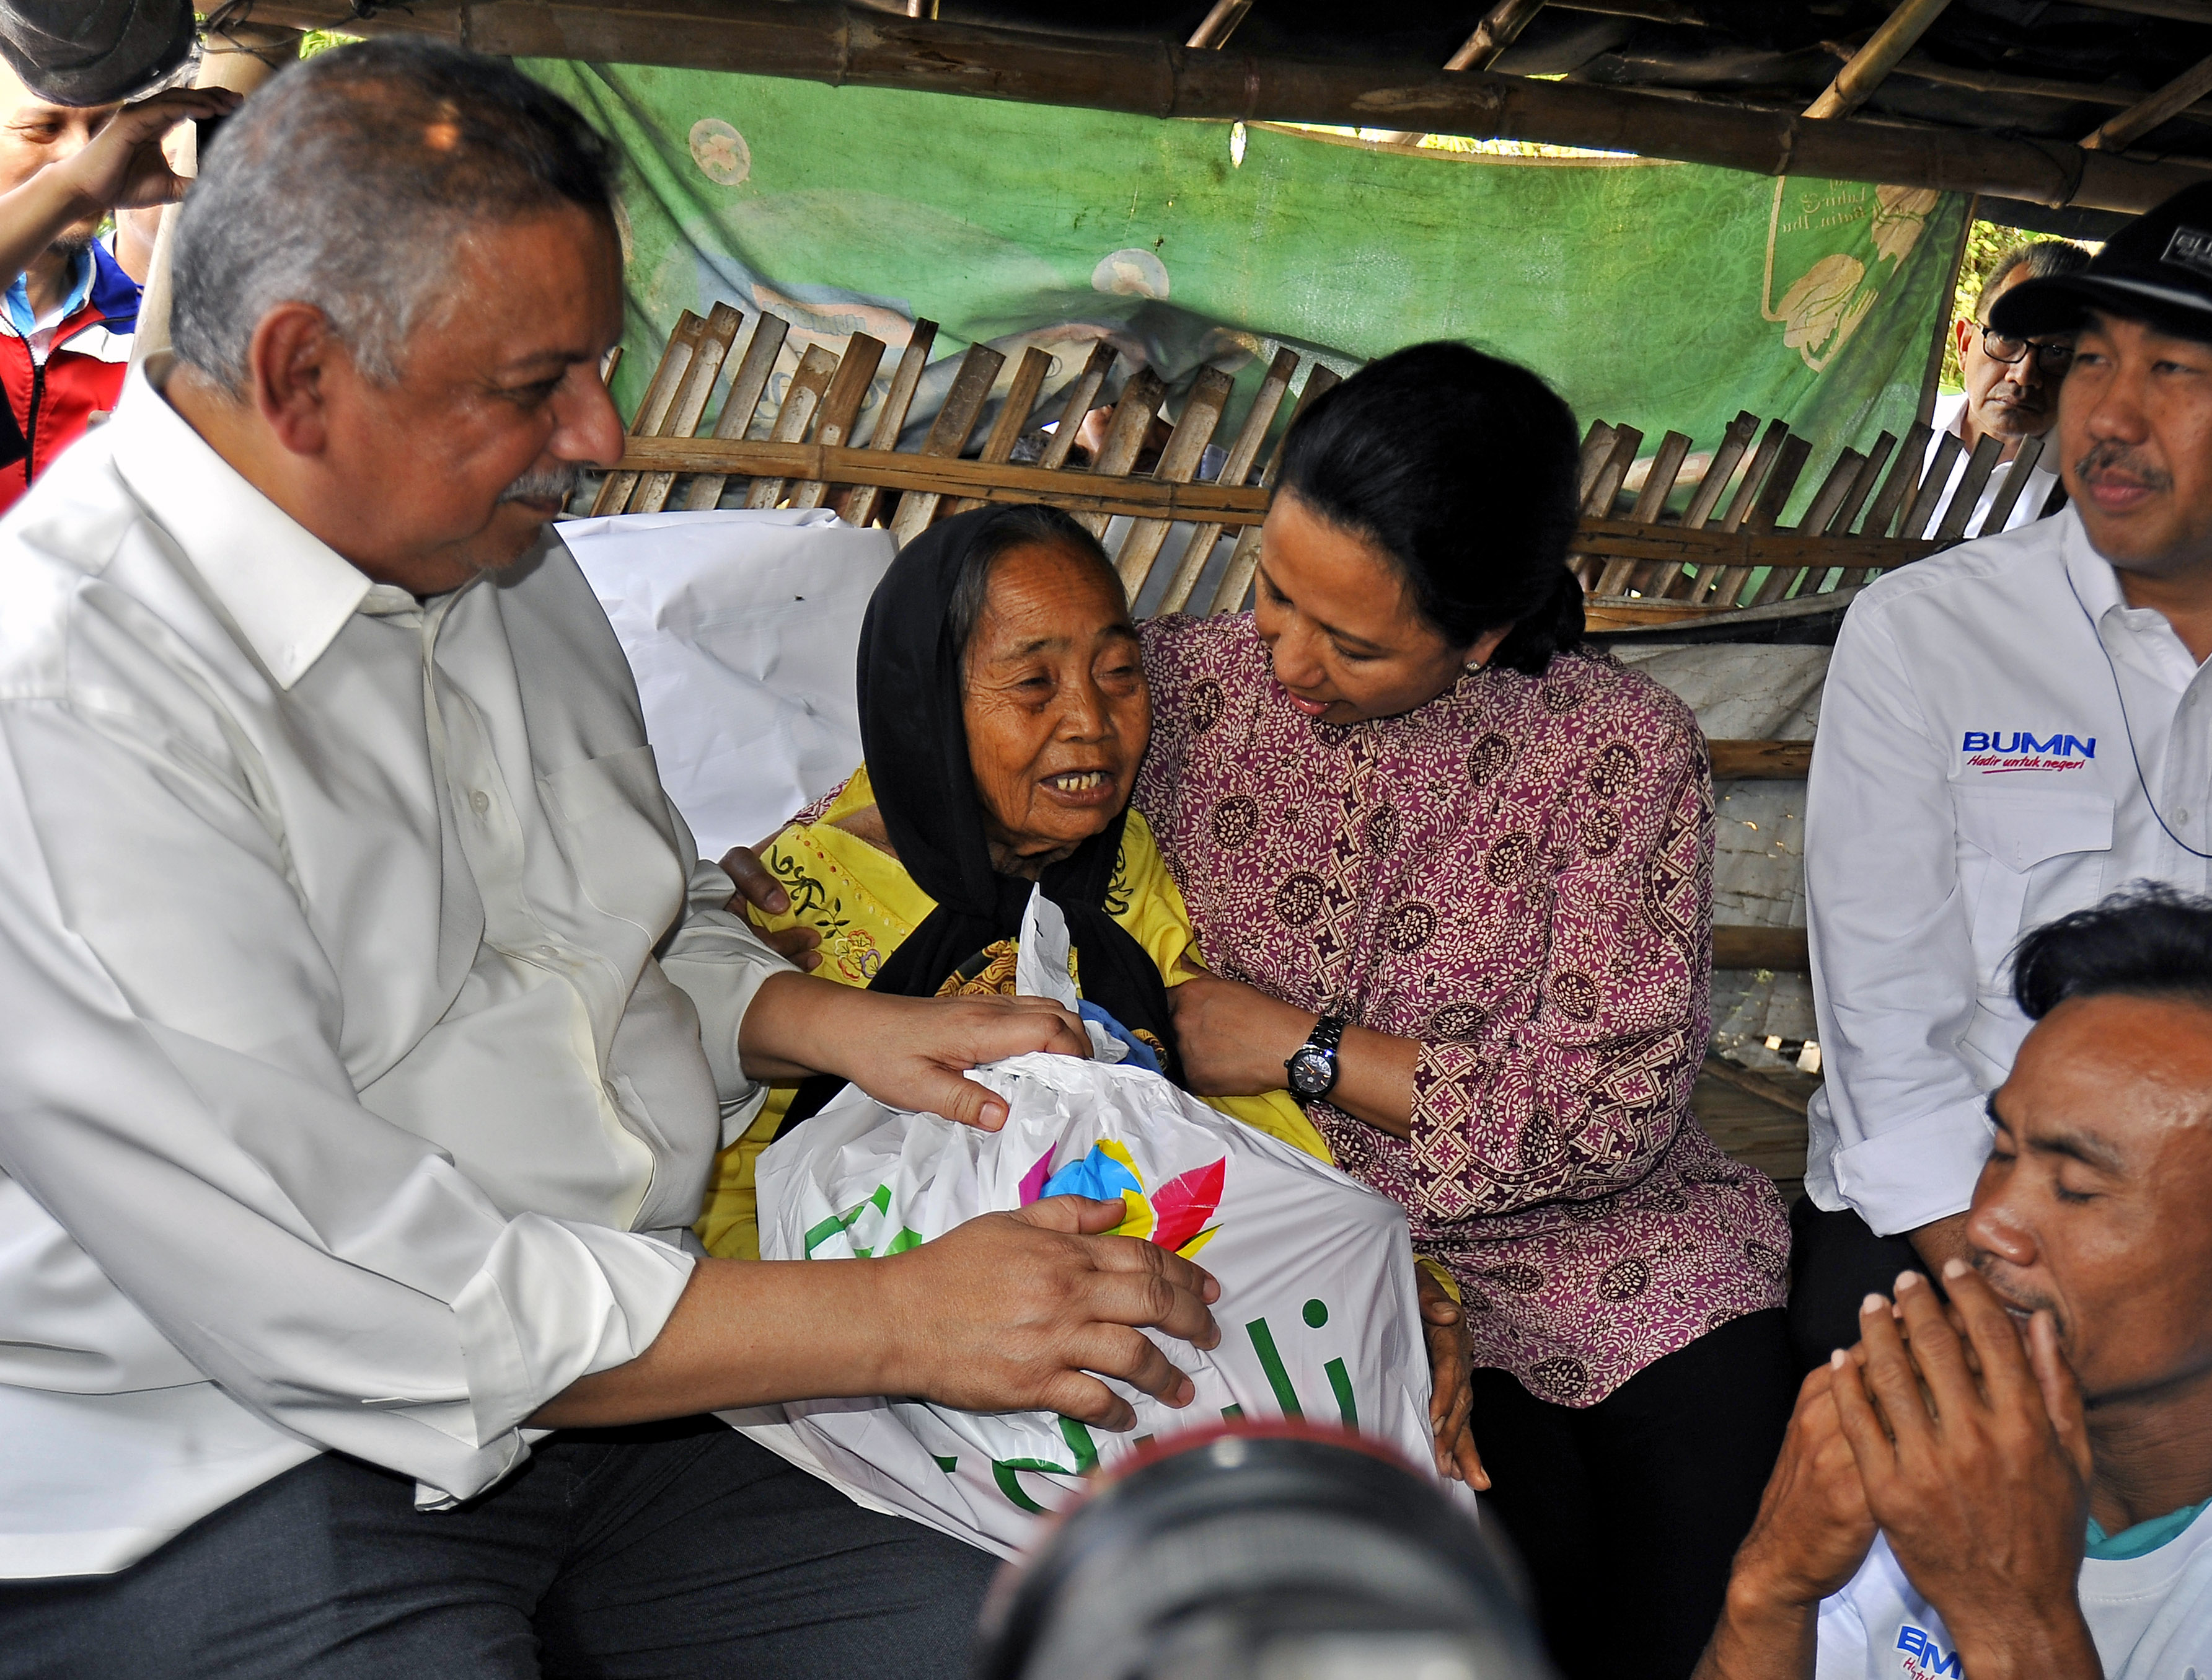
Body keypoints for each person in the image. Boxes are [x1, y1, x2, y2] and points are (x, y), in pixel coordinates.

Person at [0, 42, 1223, 1676]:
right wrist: (904, 1315)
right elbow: (345, 1281)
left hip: (622, 1371)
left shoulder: (511, 563)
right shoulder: (69, 693)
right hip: (230, 1454)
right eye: (535, 382)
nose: (604, 428)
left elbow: (617, 921)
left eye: (598, 361)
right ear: (300, 376)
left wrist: (819, 1019)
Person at [1135, 341, 1796, 1680]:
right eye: (1273, 593)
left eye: (1356, 641)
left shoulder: (1615, 749)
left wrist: (1300, 1045)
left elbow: (1612, 1105)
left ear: (1484, 632)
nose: (1288, 659)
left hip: (1609, 1247)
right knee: (1478, 1602)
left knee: (1721, 1582)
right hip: (1309, 1239)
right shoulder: (1172, 692)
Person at [710, 500, 1481, 1487]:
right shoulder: (795, 907)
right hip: (912, 1380)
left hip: (1141, 1336)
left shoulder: (1114, 865)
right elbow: (733, 1200)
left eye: (1119, 676)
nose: (1092, 723)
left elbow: (1210, 1101)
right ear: (926, 706)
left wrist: (1375, 1275)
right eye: (1033, 684)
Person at [1794, 177, 2212, 1368]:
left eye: (2176, 371)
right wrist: (2022, 1291)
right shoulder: (1925, 634)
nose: (2109, 414)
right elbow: (1888, 1039)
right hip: (1953, 1225)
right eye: (2096, 360)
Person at [1695, 889, 2212, 1680]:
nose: (1988, 1224)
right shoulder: (1925, 1436)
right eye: (2002, 1152)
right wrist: (1771, 1588)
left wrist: (2011, 1614)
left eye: (2077, 1187)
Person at [0, 61, 231, 510]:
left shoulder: (158, 329)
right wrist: (70, 193)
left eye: (104, 130)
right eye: (44, 128)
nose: (84, 156)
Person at [1918, 239, 2090, 537]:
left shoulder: (2097, 492)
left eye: (2057, 352)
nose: (2024, 376)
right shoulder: (1905, 430)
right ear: (1964, 343)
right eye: (2007, 338)